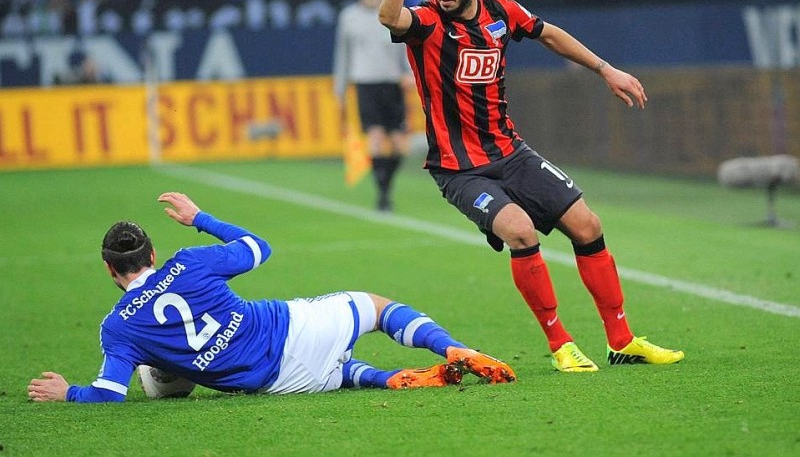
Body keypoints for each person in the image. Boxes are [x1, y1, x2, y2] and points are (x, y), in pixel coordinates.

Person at [378, 0, 684, 373]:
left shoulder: (502, 11)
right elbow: (387, 15)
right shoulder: (426, 24)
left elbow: (549, 34)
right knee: (520, 231)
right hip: (459, 169)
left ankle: (621, 340)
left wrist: (605, 69)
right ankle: (561, 344)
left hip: (510, 153)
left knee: (588, 225)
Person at [27, 192, 515, 403]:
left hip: (272, 383)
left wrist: (66, 391)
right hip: (288, 328)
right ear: (152, 252)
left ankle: (387, 380)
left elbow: (109, 395)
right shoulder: (188, 262)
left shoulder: (118, 326)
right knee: (375, 307)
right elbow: (259, 247)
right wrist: (201, 218)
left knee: (338, 373)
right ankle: (451, 348)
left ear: (110, 270)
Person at [333, 0, 414, 211]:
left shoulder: (393, 11)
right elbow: (343, 54)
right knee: (376, 137)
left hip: (392, 82)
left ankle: (385, 185)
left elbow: (406, 47)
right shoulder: (348, 17)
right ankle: (383, 195)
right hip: (365, 83)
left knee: (400, 143)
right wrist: (339, 89)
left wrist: (410, 74)